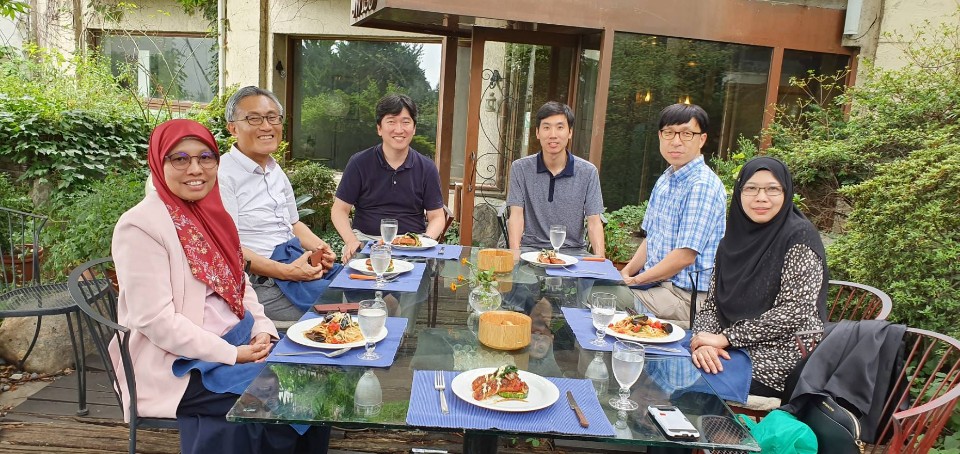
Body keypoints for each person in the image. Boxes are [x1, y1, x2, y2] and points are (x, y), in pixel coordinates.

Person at [111, 119, 328, 453]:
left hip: (238, 338)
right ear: (158, 162)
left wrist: (262, 328)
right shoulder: (140, 226)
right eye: (179, 158)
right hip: (179, 361)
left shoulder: (214, 216)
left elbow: (240, 285)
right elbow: (155, 321)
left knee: (316, 378)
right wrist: (232, 355)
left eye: (206, 157)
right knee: (283, 393)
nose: (195, 169)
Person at [690, 156, 827, 398]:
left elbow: (795, 311)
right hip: (730, 345)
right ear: (739, 193)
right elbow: (711, 306)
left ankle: (711, 423)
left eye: (772, 189)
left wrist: (726, 338)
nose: (761, 197)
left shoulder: (799, 236)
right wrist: (704, 343)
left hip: (782, 353)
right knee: (670, 357)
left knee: (696, 383)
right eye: (751, 188)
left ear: (786, 193)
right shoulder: (730, 242)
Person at [218, 86, 339, 322]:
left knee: (364, 286)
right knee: (347, 305)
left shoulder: (274, 169)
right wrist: (289, 272)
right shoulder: (222, 175)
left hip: (295, 264)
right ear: (232, 128)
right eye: (254, 118)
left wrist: (322, 249)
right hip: (262, 282)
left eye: (272, 117)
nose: (266, 126)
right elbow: (229, 249)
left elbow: (293, 224)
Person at [620, 103, 726, 328]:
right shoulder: (666, 179)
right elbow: (652, 238)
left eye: (686, 134)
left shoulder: (702, 185)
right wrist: (626, 272)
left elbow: (685, 256)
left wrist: (635, 280)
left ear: (702, 139)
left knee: (599, 297)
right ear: (660, 136)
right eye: (669, 133)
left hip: (687, 297)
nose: (676, 141)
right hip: (658, 287)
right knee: (597, 287)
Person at [331, 94, 446, 262]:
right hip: (366, 241)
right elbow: (339, 210)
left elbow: (437, 216)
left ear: (414, 128)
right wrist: (351, 241)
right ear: (379, 128)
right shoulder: (359, 163)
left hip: (412, 246)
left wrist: (424, 242)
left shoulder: (427, 168)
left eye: (405, 122)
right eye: (391, 121)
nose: (399, 129)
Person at [506, 101, 605, 254]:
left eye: (560, 127)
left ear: (570, 132)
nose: (553, 135)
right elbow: (516, 216)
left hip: (573, 252)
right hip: (531, 251)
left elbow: (594, 222)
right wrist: (515, 254)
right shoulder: (520, 168)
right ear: (537, 133)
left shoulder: (588, 172)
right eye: (546, 127)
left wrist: (600, 260)